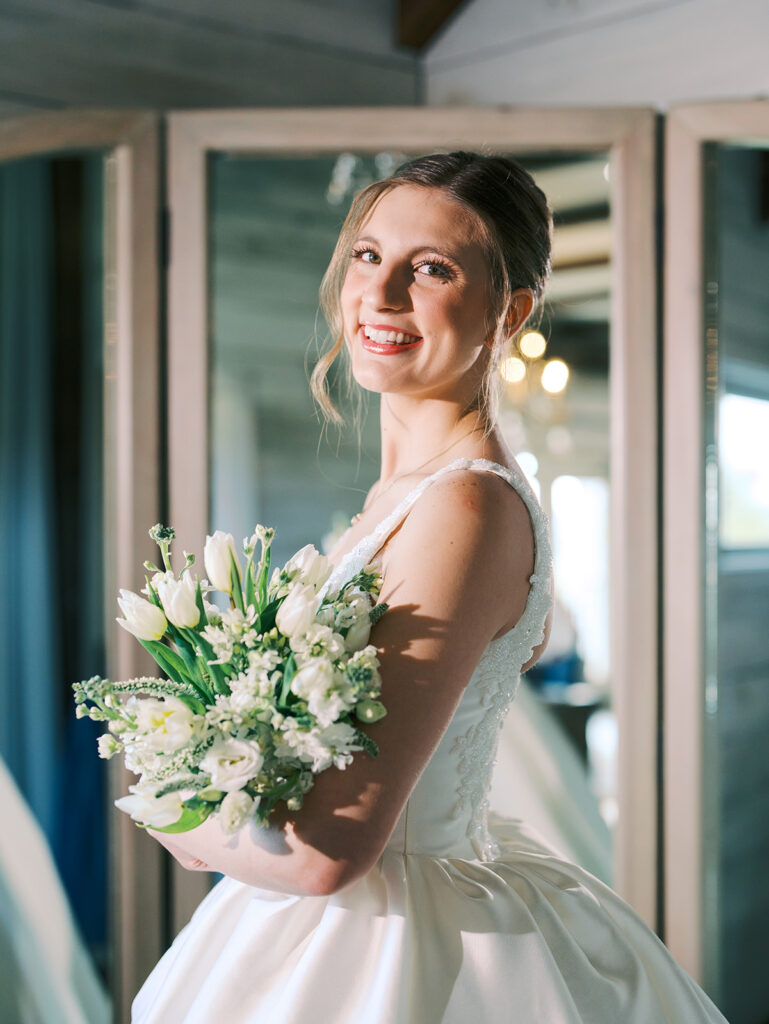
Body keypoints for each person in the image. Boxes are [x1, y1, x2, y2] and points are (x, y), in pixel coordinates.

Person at [132, 152, 728, 1022]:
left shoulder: (465, 509)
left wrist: (174, 815)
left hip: (390, 946)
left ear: (510, 310)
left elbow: (327, 853)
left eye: (433, 270)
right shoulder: (411, 495)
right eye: (369, 257)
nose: (380, 296)